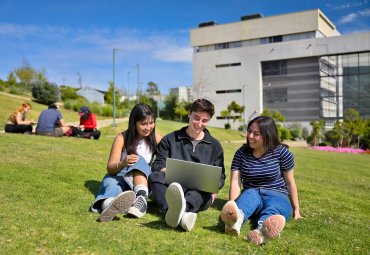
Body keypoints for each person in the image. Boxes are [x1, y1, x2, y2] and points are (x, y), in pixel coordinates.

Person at [220, 116, 301, 246]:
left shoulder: (282, 153)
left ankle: (261, 232)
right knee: (245, 202)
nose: (250, 136)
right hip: (252, 193)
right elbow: (235, 182)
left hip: (277, 194)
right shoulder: (241, 153)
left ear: (268, 135)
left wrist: (296, 210)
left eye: (256, 134)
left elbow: (290, 182)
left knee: (273, 209)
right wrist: (233, 204)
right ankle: (235, 220)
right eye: (249, 131)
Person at [149, 98, 225, 232]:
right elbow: (157, 164)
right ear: (189, 114)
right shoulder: (170, 139)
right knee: (155, 177)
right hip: (172, 185)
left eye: (204, 120)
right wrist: (172, 171)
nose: (199, 124)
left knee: (202, 190)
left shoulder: (215, 146)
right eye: (196, 118)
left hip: (198, 192)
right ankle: (180, 214)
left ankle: (174, 211)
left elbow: (220, 177)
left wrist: (214, 186)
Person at [90, 103, 162, 222]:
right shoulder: (122, 138)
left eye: (151, 123)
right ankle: (107, 204)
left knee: (138, 160)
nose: (149, 127)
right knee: (112, 187)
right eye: (144, 124)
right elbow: (110, 168)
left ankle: (141, 197)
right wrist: (122, 163)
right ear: (134, 123)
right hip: (119, 175)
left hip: (142, 179)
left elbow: (167, 157)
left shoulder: (156, 138)